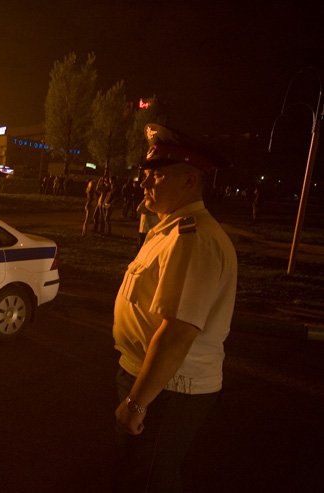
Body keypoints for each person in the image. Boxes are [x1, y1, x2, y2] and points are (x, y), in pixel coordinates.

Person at [112, 123, 237, 492]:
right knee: (137, 470)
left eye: (157, 175)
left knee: (147, 477)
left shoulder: (192, 239)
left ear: (189, 181)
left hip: (169, 389)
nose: (145, 183)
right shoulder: (169, 230)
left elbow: (178, 332)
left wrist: (137, 403)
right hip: (152, 381)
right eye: (146, 175)